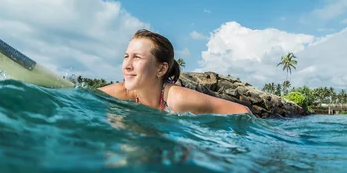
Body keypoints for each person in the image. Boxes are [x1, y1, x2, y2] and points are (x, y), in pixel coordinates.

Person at [98, 29, 252, 115]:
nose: (127, 66)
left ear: (161, 69)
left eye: (137, 57)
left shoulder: (177, 98)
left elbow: (242, 110)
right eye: (126, 56)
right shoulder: (119, 93)